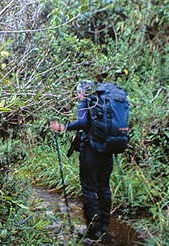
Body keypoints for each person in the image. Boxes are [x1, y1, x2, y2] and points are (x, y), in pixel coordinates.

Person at [50, 80, 113, 240]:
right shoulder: (106, 102)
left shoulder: (86, 102)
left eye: (78, 93)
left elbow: (83, 122)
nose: (78, 96)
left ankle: (93, 232)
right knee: (104, 188)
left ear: (81, 93)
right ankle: (104, 226)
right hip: (108, 151)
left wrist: (63, 127)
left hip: (91, 152)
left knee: (89, 190)